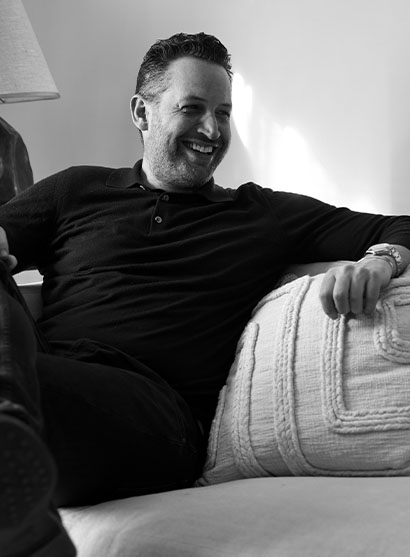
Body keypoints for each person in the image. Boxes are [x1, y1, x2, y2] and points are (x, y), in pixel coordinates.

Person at [1, 31, 410, 557]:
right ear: (142, 113)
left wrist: (380, 260)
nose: (212, 130)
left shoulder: (259, 214)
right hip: (42, 376)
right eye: (192, 108)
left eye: (223, 112)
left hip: (155, 417)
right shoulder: (76, 190)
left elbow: (399, 225)